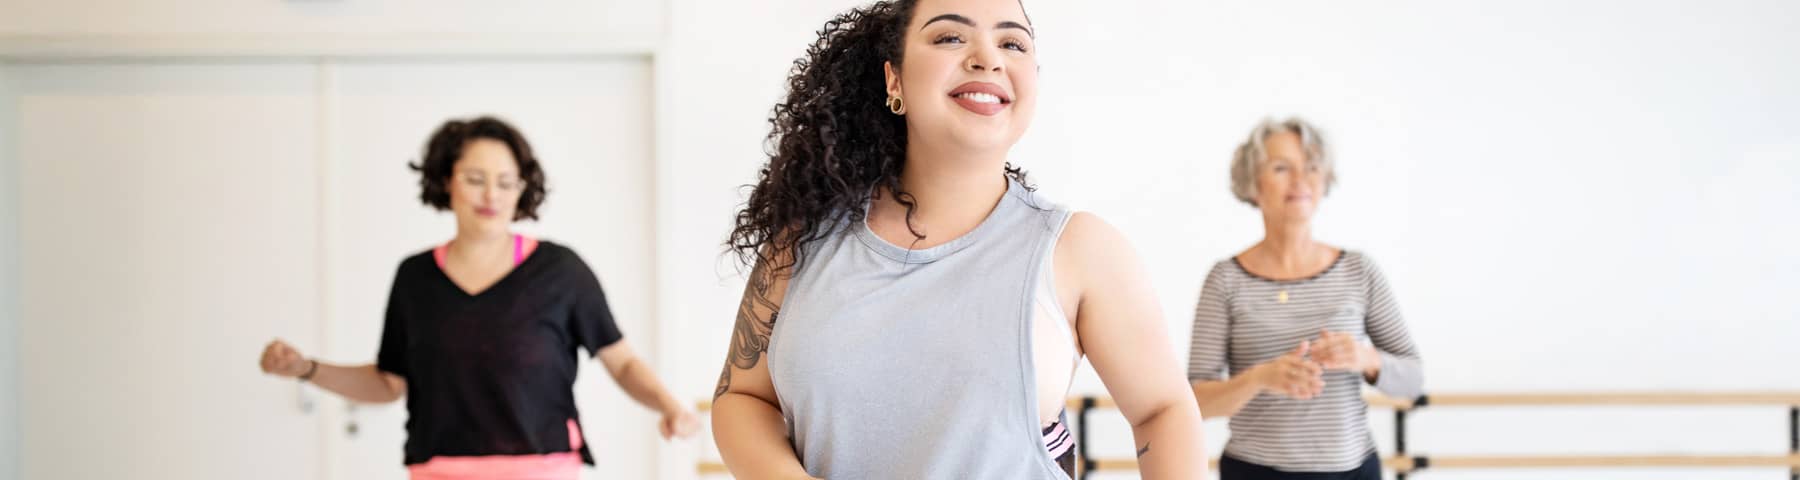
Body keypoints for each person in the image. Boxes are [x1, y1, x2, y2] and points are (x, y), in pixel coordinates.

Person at [708, 0, 1205, 478]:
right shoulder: (801, 241)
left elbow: (1162, 410)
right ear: (893, 79)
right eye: (950, 36)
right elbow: (744, 396)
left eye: (1013, 43)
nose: (987, 58)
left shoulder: (1081, 251)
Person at [258, 116, 698, 480]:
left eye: (506, 182)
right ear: (446, 181)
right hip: (438, 471)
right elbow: (388, 382)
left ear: (522, 190)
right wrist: (307, 369)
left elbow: (620, 361)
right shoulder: (414, 278)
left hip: (542, 470)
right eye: (475, 179)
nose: (492, 195)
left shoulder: (561, 272)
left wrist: (668, 406)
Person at [1188, 117, 1424, 480]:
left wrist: (1366, 358)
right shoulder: (1225, 280)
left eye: (1312, 167)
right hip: (1253, 472)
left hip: (1354, 472)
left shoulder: (1359, 271)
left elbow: (1412, 380)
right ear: (1252, 183)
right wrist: (1259, 379)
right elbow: (1195, 401)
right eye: (1282, 167)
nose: (1300, 180)